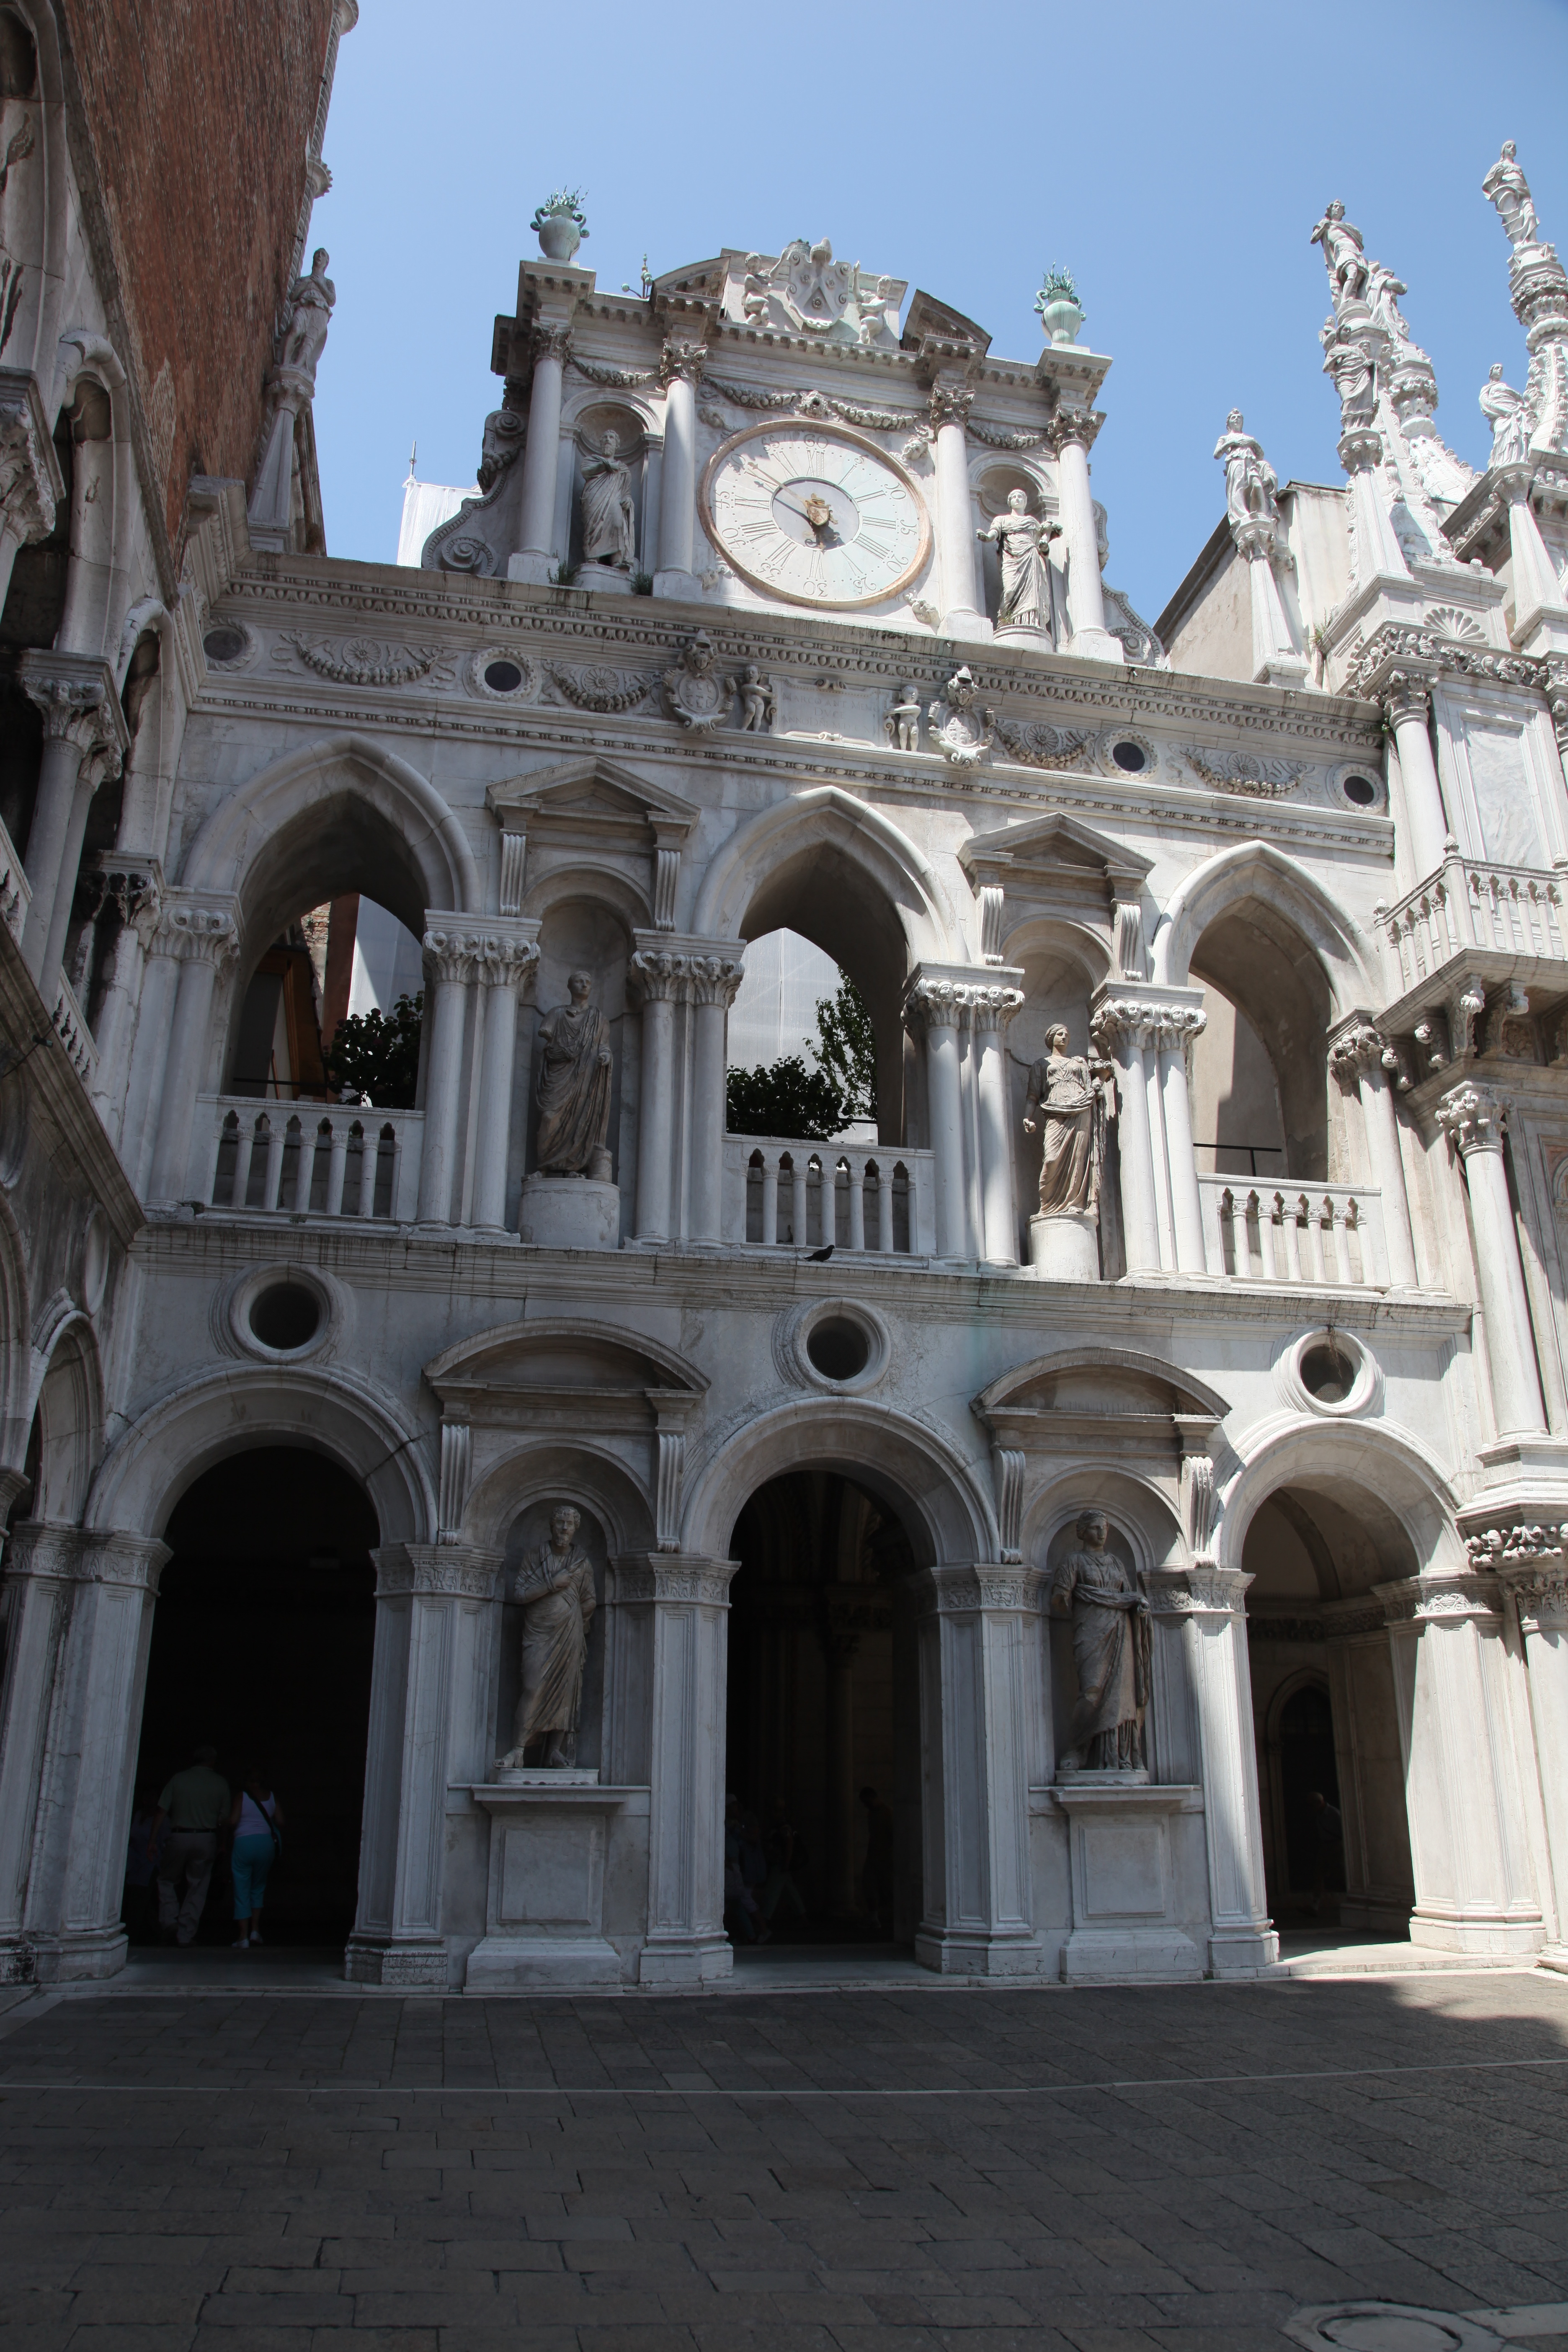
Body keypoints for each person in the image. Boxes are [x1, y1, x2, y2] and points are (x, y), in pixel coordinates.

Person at [149, 1746, 231, 1946]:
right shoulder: (220, 1783)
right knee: (198, 1886)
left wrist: (152, 1840)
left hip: (179, 1836)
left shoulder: (178, 1779)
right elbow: (224, 1820)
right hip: (206, 1838)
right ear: (212, 1762)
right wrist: (223, 1843)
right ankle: (185, 1934)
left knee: (167, 1879)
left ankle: (170, 1921)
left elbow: (161, 1811)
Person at [227, 1767, 283, 1949]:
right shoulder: (272, 1796)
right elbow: (281, 1821)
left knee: (242, 1888)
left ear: (247, 1781)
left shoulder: (242, 1796)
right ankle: (255, 1932)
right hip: (266, 1844)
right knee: (258, 1887)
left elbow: (233, 1820)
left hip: (244, 1843)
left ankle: (243, 1937)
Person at [123, 1790, 165, 1945]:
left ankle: (148, 1935)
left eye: (152, 1796)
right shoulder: (139, 1815)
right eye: (146, 1796)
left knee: (143, 1900)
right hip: (134, 1864)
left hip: (151, 1863)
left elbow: (165, 1843)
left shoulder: (163, 1820)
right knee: (138, 1901)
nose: (149, 1799)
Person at [761, 1799, 808, 1926]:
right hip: (780, 1863)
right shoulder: (779, 1825)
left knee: (771, 1892)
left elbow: (789, 1843)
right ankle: (802, 1917)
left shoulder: (783, 1826)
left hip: (780, 1863)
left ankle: (763, 1921)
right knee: (790, 1891)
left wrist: (787, 1863)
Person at [859, 1786, 895, 1933]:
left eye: (866, 1802)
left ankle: (885, 1917)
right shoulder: (872, 1814)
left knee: (887, 1888)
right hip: (875, 1856)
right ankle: (874, 1917)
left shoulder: (887, 1813)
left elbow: (893, 1836)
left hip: (885, 1857)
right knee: (870, 1884)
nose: (865, 1805)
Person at [1307, 1789, 1344, 1918]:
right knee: (1319, 1875)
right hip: (1325, 1846)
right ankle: (1315, 1906)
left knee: (1340, 1874)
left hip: (1336, 1846)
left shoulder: (1334, 1814)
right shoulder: (1319, 1815)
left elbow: (1343, 1831)